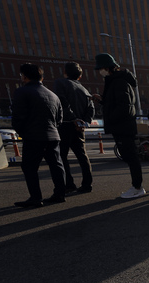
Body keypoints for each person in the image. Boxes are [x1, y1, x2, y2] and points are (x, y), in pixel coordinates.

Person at [12, 63, 66, 208]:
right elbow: (59, 118)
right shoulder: (53, 95)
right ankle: (60, 194)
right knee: (56, 165)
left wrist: (22, 132)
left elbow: (18, 117)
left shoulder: (22, 92)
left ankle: (36, 198)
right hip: (53, 135)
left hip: (33, 136)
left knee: (29, 167)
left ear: (24, 76)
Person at [94, 53, 145, 199]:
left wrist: (111, 117)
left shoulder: (118, 82)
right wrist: (103, 101)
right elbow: (119, 103)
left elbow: (125, 106)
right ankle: (137, 186)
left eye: (100, 69)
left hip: (122, 126)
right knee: (130, 157)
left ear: (106, 67)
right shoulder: (117, 81)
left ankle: (137, 187)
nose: (100, 72)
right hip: (123, 126)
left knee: (131, 157)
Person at [53, 62, 94, 194]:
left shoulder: (60, 83)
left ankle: (69, 184)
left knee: (62, 156)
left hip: (65, 124)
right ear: (80, 76)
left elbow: (62, 102)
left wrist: (73, 118)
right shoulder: (84, 89)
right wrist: (84, 122)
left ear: (65, 72)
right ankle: (87, 184)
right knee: (82, 156)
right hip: (79, 128)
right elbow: (91, 108)